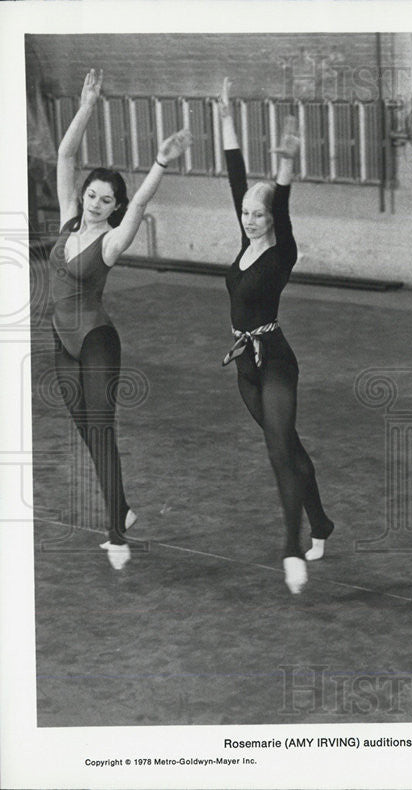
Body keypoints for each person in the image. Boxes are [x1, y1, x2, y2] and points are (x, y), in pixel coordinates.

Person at [51, 69, 192, 570]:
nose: (95, 203)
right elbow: (66, 156)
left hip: (96, 342)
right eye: (93, 194)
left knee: (102, 430)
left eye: (106, 200)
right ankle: (123, 508)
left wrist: (159, 162)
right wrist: (87, 105)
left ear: (114, 207)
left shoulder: (111, 240)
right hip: (61, 341)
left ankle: (117, 536)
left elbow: (144, 202)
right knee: (86, 430)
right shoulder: (69, 216)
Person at [218, 78, 336, 594]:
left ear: (272, 219)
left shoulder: (281, 250)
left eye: (258, 213)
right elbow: (236, 175)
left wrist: (287, 161)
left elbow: (280, 198)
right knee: (287, 444)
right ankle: (322, 522)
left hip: (277, 360)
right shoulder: (245, 234)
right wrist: (225, 113)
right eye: (245, 213)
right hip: (246, 365)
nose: (249, 220)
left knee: (277, 451)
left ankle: (292, 547)